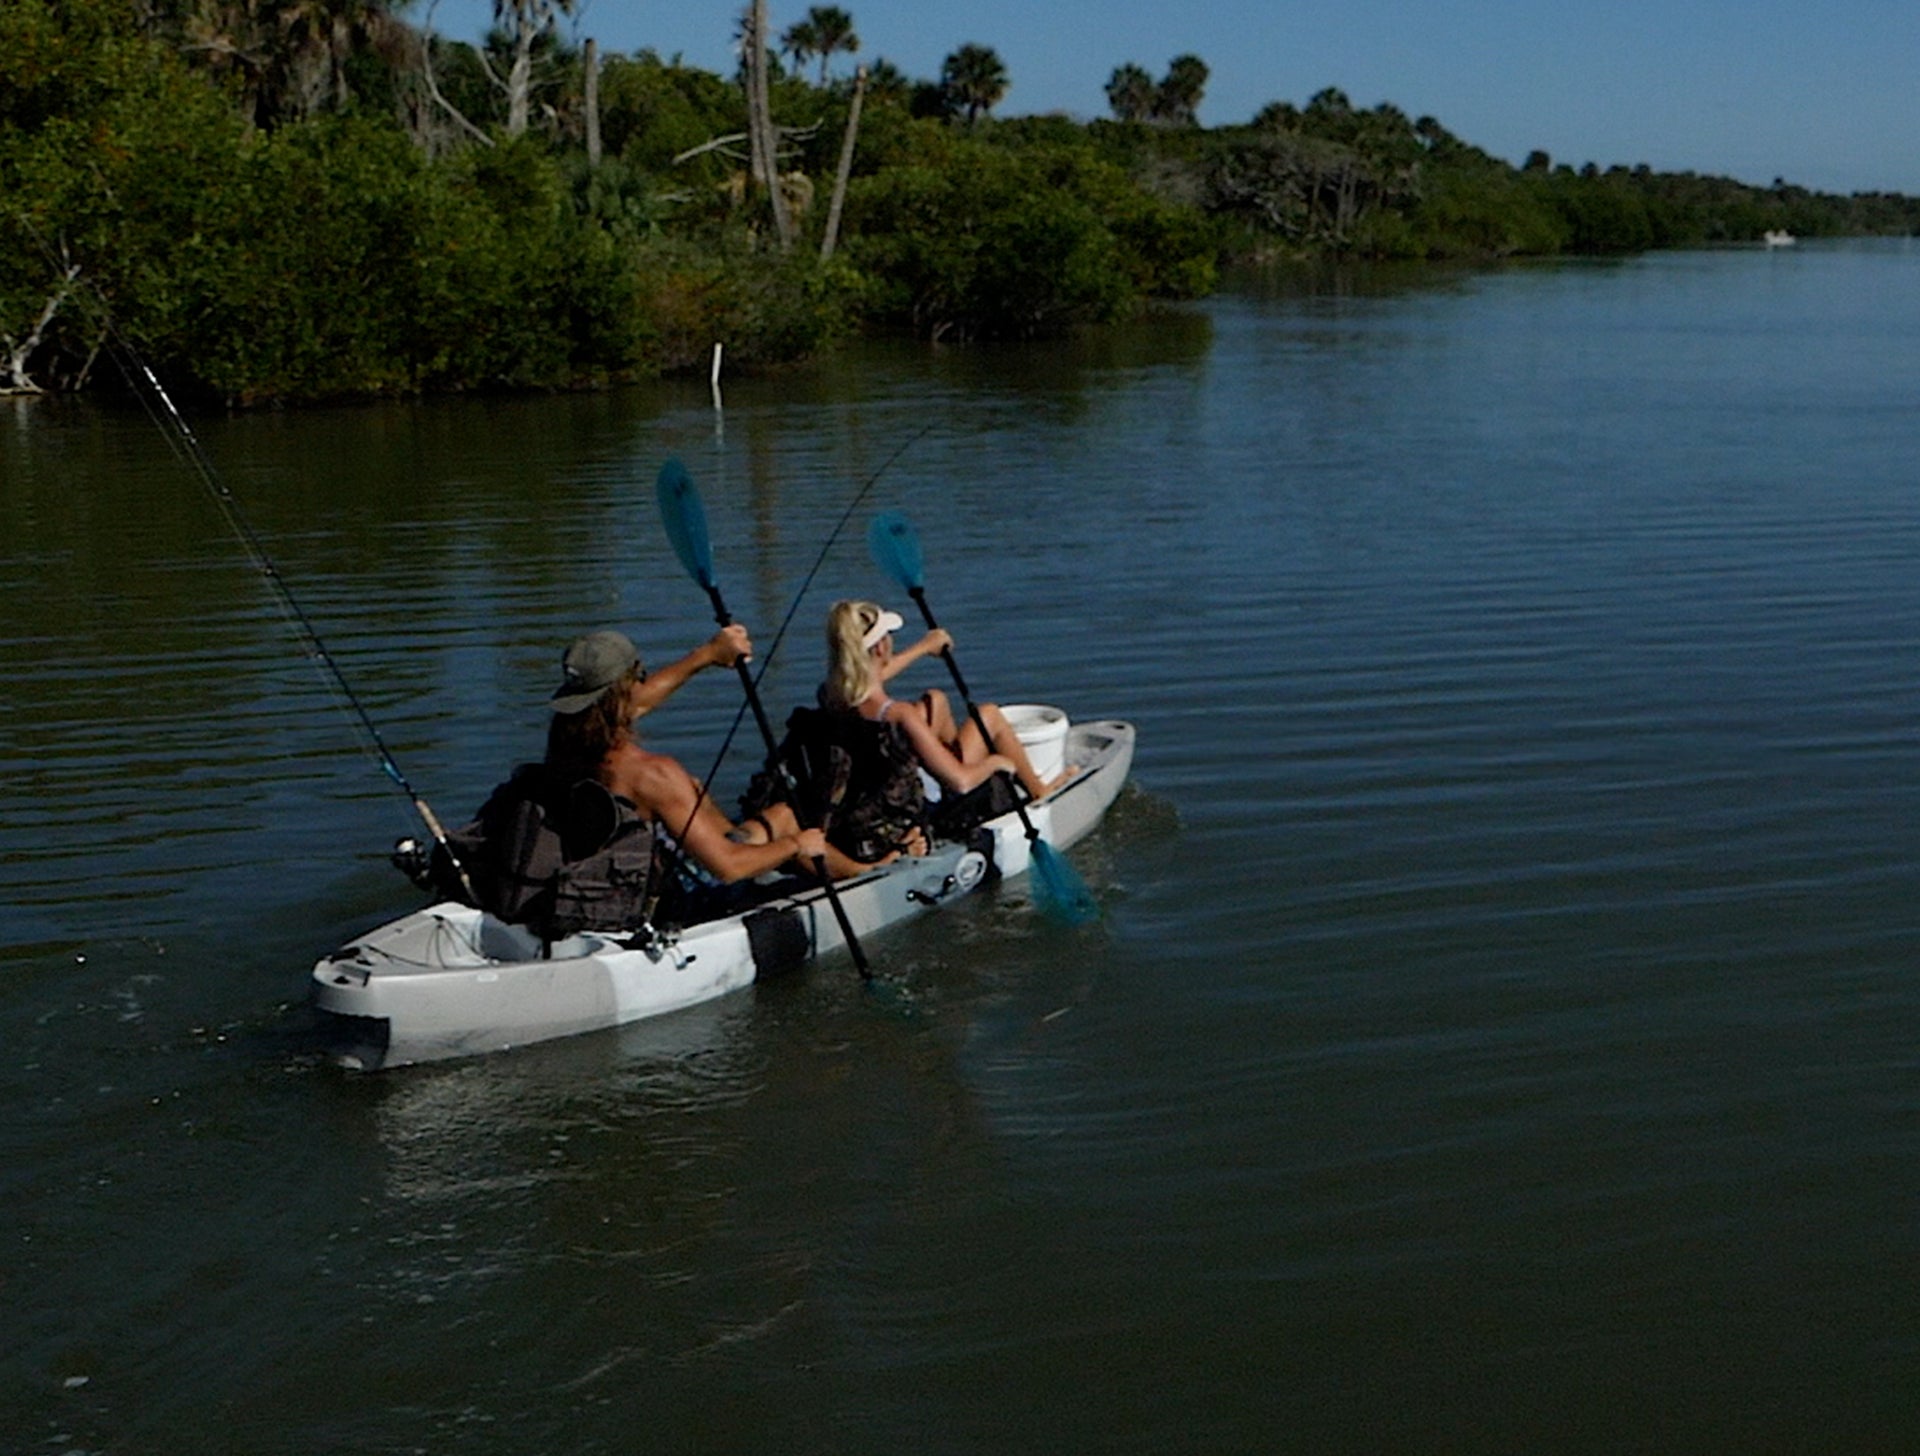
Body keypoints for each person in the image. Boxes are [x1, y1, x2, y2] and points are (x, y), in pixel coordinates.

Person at [544, 627, 888, 889]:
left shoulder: (565, 742)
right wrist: (798, 845)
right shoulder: (653, 774)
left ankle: (854, 870)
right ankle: (868, 877)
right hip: (680, 894)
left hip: (602, 877)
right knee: (789, 829)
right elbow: (727, 869)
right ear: (628, 686)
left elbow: (636, 702)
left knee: (780, 814)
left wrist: (708, 654)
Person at [821, 599, 1073, 802]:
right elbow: (961, 783)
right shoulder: (900, 714)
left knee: (936, 700)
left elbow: (867, 677)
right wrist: (995, 763)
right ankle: (1038, 789)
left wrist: (923, 647)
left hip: (880, 778)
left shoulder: (832, 695)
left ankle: (955, 758)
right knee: (989, 715)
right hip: (930, 791)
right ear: (880, 648)